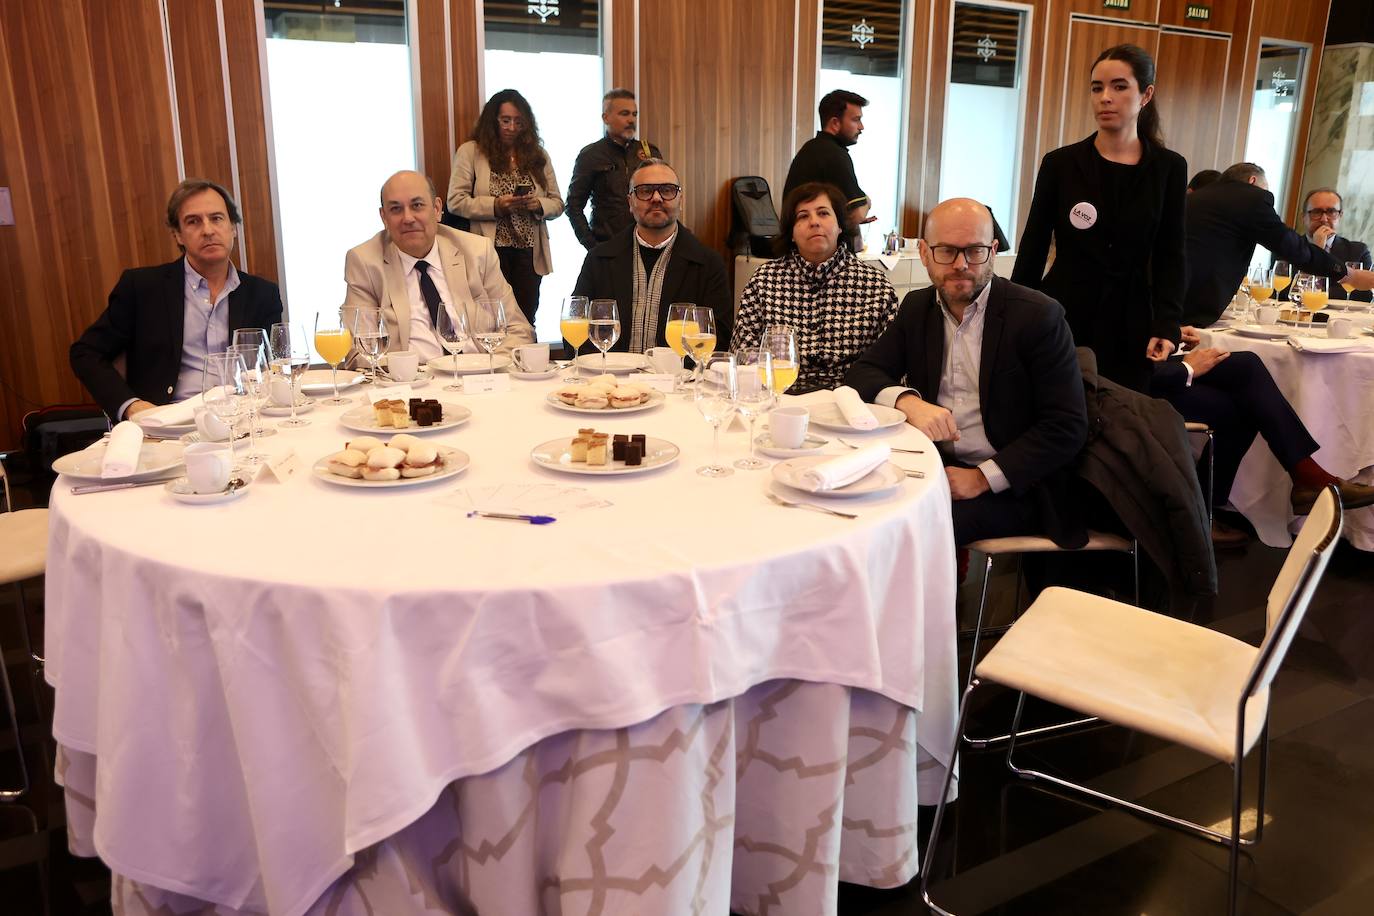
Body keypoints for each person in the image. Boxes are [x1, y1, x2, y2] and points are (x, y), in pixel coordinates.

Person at [845, 199, 1087, 547]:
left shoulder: (1038, 317)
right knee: (858, 508)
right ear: (925, 253)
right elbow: (864, 373)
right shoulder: (918, 308)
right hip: (937, 467)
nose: (961, 265)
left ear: (991, 251)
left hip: (1021, 484)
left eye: (973, 251)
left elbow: (1066, 427)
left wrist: (982, 478)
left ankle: (933, 603)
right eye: (946, 251)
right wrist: (908, 402)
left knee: (911, 530)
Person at [1012, 44, 1185, 393]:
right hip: (1065, 312)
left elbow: (1171, 252)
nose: (1105, 97)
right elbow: (1033, 246)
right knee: (1061, 414)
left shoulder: (1168, 168)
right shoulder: (1061, 164)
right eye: (1097, 88)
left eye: (1119, 87)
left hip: (1132, 319)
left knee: (1124, 419)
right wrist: (1015, 317)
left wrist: (1167, 324)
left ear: (1145, 94)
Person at [70, 179, 283, 421]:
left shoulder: (262, 293)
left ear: (233, 228)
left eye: (217, 218)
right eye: (193, 221)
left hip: (244, 419)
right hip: (168, 424)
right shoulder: (142, 288)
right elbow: (85, 353)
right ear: (178, 235)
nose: (208, 230)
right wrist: (130, 406)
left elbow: (271, 367)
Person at [1151, 328, 1374, 540]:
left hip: (1144, 365)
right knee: (1243, 406)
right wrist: (1185, 369)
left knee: (1247, 367)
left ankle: (1306, 476)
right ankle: (1196, 519)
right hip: (1129, 386)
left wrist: (1168, 334)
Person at [344, 170, 534, 361]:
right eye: (396, 209)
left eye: (417, 206)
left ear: (436, 209)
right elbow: (357, 352)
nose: (408, 218)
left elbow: (519, 331)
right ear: (384, 217)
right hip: (410, 383)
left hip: (478, 376)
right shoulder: (365, 262)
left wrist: (488, 368)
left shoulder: (476, 251)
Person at [732, 182, 896, 394]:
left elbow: (891, 364)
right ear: (791, 232)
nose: (814, 222)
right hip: (779, 399)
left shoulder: (875, 286)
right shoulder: (764, 280)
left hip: (852, 404)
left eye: (823, 213)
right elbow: (742, 355)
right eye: (802, 216)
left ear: (840, 226)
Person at [1181, 164, 1374, 326]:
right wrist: (1350, 275)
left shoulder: (1194, 199)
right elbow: (1291, 247)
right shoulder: (1251, 198)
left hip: (1169, 301)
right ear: (1253, 182)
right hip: (1193, 308)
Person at [571, 159, 730, 353]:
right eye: (645, 191)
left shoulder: (708, 264)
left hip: (678, 380)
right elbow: (576, 334)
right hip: (613, 379)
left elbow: (718, 339)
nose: (656, 198)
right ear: (630, 202)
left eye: (667, 190)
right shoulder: (599, 259)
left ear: (681, 200)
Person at [447, 89, 564, 326]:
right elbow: (455, 201)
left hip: (528, 251)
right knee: (491, 319)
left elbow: (558, 203)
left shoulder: (537, 155)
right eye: (506, 120)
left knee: (526, 317)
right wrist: (495, 206)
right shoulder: (471, 151)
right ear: (493, 121)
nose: (512, 127)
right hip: (490, 248)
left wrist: (538, 204)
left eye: (518, 122)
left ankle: (527, 360)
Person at [566, 89, 662, 251]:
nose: (631, 120)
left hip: (648, 244)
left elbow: (663, 197)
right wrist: (592, 246)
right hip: (608, 246)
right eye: (624, 114)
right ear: (606, 117)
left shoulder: (649, 152)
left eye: (634, 114)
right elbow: (573, 206)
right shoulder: (591, 155)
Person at [783, 89, 872, 241]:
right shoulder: (835, 155)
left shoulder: (811, 149)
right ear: (835, 123)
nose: (861, 127)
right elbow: (856, 214)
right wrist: (867, 202)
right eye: (856, 120)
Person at [1300, 187, 1371, 302]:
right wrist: (1317, 250)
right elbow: (1283, 292)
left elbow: (1364, 295)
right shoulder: (1287, 246)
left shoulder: (1358, 251)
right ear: (1303, 217)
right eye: (1316, 212)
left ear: (1340, 216)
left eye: (1331, 212)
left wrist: (1318, 292)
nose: (1324, 219)